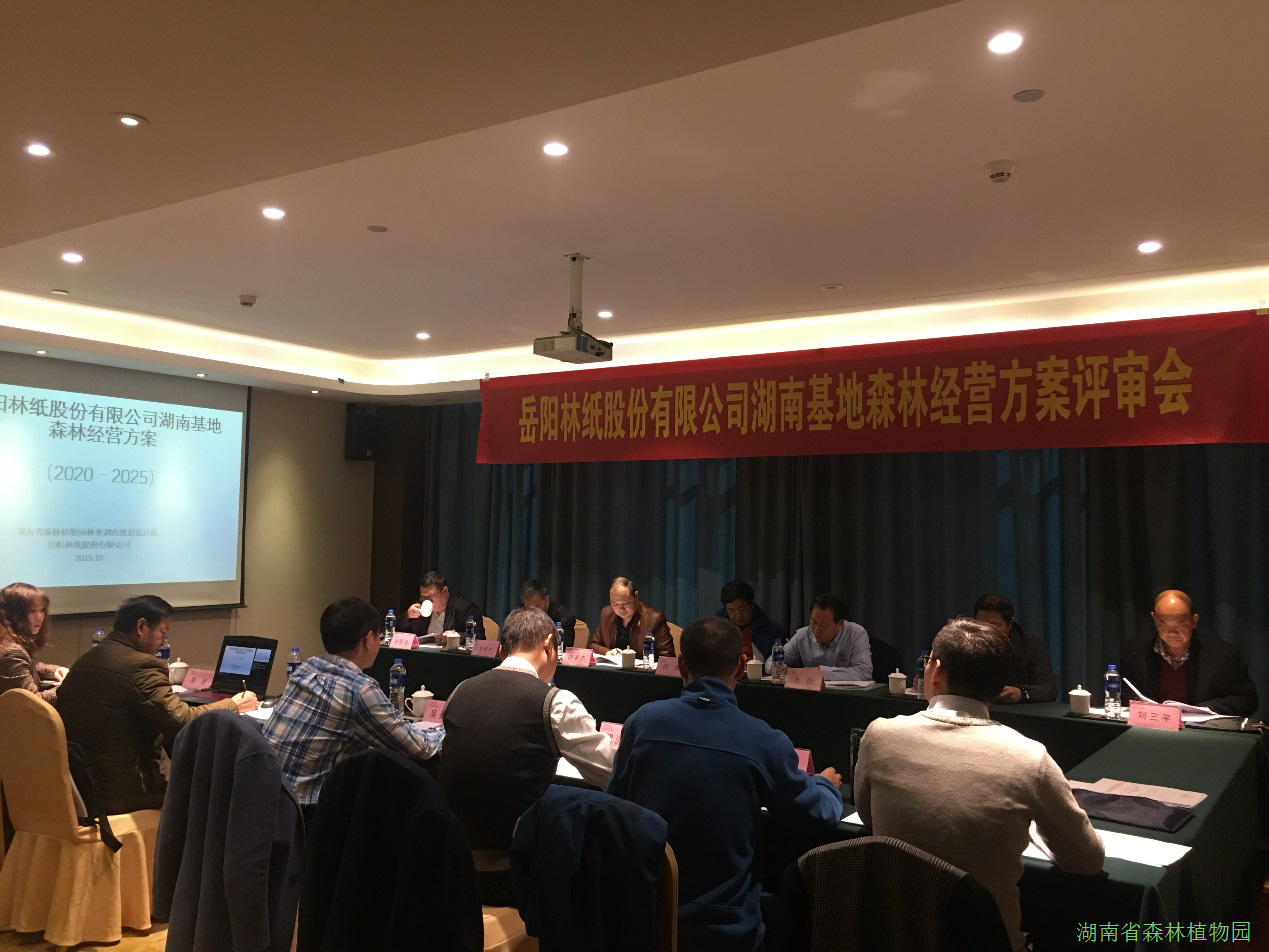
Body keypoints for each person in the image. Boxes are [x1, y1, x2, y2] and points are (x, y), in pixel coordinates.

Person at [854, 617, 1104, 952]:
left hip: (894, 938)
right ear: (1000, 685)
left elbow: (868, 818)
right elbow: (1087, 860)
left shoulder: (880, 734)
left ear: (936, 671)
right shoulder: (1030, 757)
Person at [609, 616, 843, 952]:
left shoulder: (640, 723)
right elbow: (815, 815)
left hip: (645, 916)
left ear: (681, 665)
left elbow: (614, 804)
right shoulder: (765, 740)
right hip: (724, 929)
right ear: (741, 666)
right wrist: (825, 786)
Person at [440, 607, 615, 905]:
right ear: (548, 644)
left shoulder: (459, 692)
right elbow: (612, 773)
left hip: (453, 869)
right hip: (517, 875)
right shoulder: (554, 701)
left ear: (502, 649)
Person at [57, 595, 258, 814]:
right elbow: (183, 721)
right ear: (141, 626)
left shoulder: (87, 659)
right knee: (220, 789)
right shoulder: (140, 667)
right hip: (127, 793)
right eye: (162, 632)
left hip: (86, 788)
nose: (163, 642)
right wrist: (233, 704)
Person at [262, 596, 443, 815]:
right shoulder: (359, 689)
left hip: (266, 798)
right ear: (367, 639)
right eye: (378, 636)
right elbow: (421, 748)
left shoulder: (306, 668)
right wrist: (446, 727)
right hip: (307, 813)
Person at [1119, 589, 1259, 716]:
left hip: (1203, 730)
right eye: (1163, 624)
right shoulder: (1135, 650)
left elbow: (1247, 699)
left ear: (1194, 620)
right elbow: (1121, 692)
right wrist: (1138, 702)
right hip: (1150, 727)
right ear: (1154, 619)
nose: (1172, 632)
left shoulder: (1224, 655)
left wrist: (1203, 710)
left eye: (1180, 624)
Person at [973, 592, 1058, 703]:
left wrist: (1021, 693)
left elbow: (1049, 689)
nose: (985, 631)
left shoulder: (1031, 646)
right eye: (980, 625)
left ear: (1010, 623)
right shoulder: (968, 645)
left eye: (993, 625)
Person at [774, 594, 872, 681]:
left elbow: (864, 672)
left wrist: (819, 672)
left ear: (840, 623)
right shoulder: (803, 635)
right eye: (814, 622)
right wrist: (779, 668)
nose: (816, 630)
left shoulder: (856, 634)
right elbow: (772, 661)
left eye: (823, 625)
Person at [0, 582, 66, 703]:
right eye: (32, 611)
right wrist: (67, 687)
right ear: (14, 614)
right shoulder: (11, 652)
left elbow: (28, 667)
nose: (40, 617)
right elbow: (33, 702)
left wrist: (54, 671)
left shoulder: (6, 640)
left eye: (42, 610)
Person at [592, 576, 674, 659]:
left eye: (625, 603)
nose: (621, 609)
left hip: (642, 667)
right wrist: (608, 652)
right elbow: (593, 645)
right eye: (615, 604)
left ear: (636, 596)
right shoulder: (606, 614)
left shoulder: (654, 619)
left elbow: (668, 657)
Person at [399, 570, 485, 642]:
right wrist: (407, 616)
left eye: (431, 597)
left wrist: (456, 637)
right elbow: (396, 632)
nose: (426, 601)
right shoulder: (419, 608)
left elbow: (479, 637)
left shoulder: (465, 608)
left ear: (445, 591)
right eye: (423, 598)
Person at [713, 579, 785, 663]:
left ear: (751, 605)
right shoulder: (715, 628)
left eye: (742, 609)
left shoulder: (772, 630)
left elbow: (777, 663)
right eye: (732, 610)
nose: (738, 615)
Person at [518, 578, 578, 644]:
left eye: (537, 607)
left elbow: (564, 646)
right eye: (529, 608)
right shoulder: (520, 615)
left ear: (547, 600)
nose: (533, 612)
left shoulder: (565, 618)